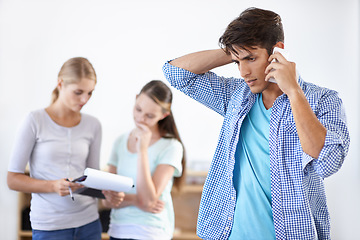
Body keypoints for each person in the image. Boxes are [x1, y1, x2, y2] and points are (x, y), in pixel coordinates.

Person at [162, 7, 350, 240]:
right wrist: (235, 50)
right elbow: (176, 73)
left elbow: (328, 163)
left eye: (251, 58)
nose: (243, 71)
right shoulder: (236, 96)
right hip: (230, 234)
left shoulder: (323, 100)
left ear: (277, 51)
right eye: (237, 62)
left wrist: (293, 91)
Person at [7, 57, 123, 240]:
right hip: (49, 226)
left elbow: (92, 176)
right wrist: (53, 185)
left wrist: (108, 194)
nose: (84, 99)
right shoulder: (34, 120)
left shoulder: (93, 125)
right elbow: (13, 179)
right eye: (78, 92)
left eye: (90, 93)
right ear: (60, 84)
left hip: (89, 224)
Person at [102, 80, 185, 240]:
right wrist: (135, 200)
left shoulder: (171, 147)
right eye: (138, 109)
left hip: (150, 231)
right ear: (135, 98)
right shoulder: (120, 142)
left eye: (150, 116)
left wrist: (142, 150)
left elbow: (148, 201)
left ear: (164, 115)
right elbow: (107, 201)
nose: (140, 119)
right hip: (118, 229)